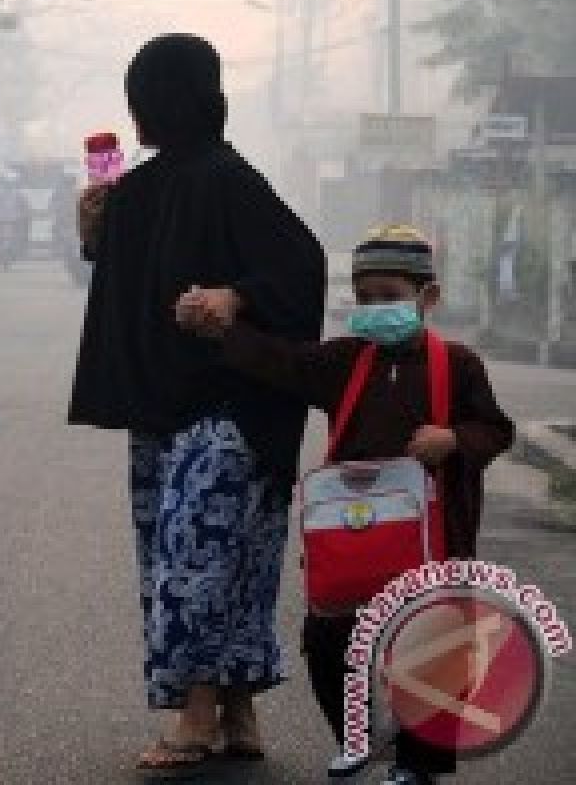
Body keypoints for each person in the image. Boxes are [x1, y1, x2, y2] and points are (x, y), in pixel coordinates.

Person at [68, 34, 326, 774]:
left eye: (147, 96)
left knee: (202, 554)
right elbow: (125, 281)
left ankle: (198, 713)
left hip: (233, 406)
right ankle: (238, 707)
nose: (139, 113)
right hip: (161, 404)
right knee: (199, 556)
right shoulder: (142, 190)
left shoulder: (228, 179)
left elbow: (299, 263)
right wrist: (96, 230)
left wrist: (233, 295)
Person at [174, 224, 515, 785]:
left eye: (391, 296)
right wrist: (223, 328)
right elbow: (281, 362)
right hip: (353, 538)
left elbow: (495, 429)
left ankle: (418, 764)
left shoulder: (457, 365)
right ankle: (355, 738)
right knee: (330, 642)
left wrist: (452, 440)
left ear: (427, 297)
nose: (377, 308)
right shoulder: (345, 362)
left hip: (434, 541)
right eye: (366, 297)